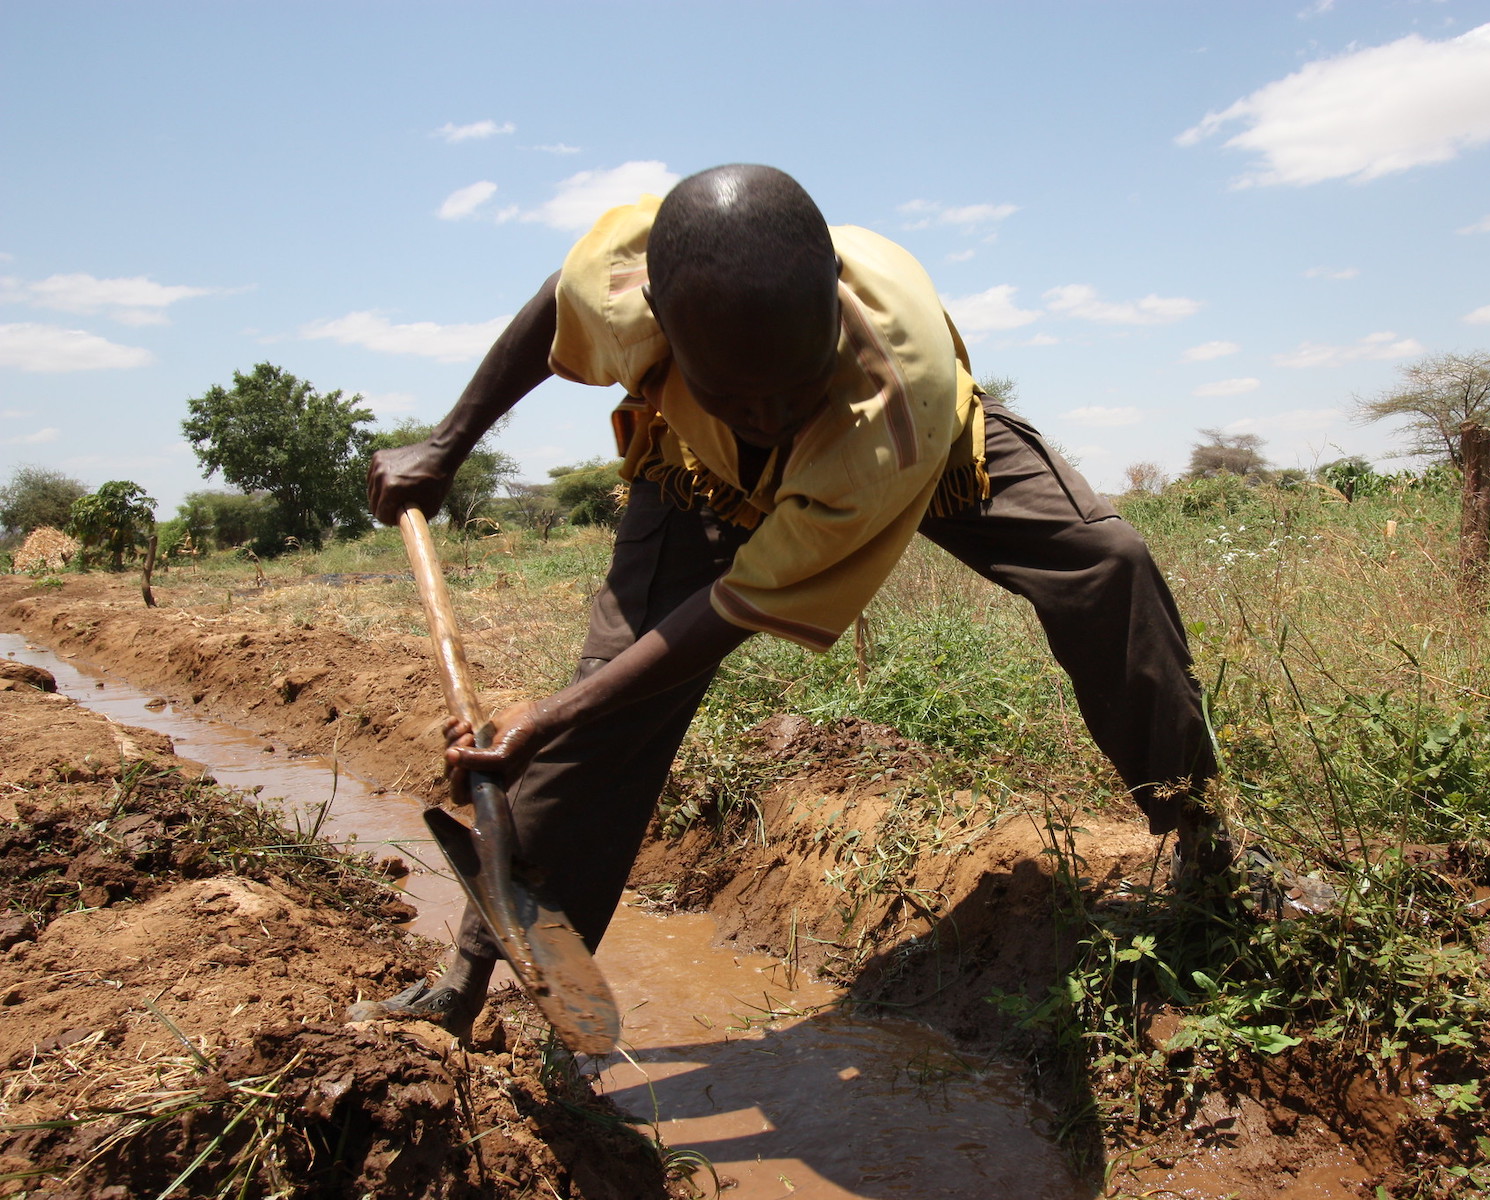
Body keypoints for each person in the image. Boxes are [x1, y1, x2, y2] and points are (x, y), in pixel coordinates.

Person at [359, 164, 1221, 1038]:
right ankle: (461, 992)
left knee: (1105, 561)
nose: (769, 415)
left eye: (791, 384)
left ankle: (1208, 834)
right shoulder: (621, 279)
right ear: (659, 316)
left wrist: (549, 712)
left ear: (833, 311)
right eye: (738, 393)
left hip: (911, 452)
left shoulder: (891, 406)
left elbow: (738, 608)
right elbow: (559, 301)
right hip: (695, 470)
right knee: (598, 722)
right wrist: (446, 441)